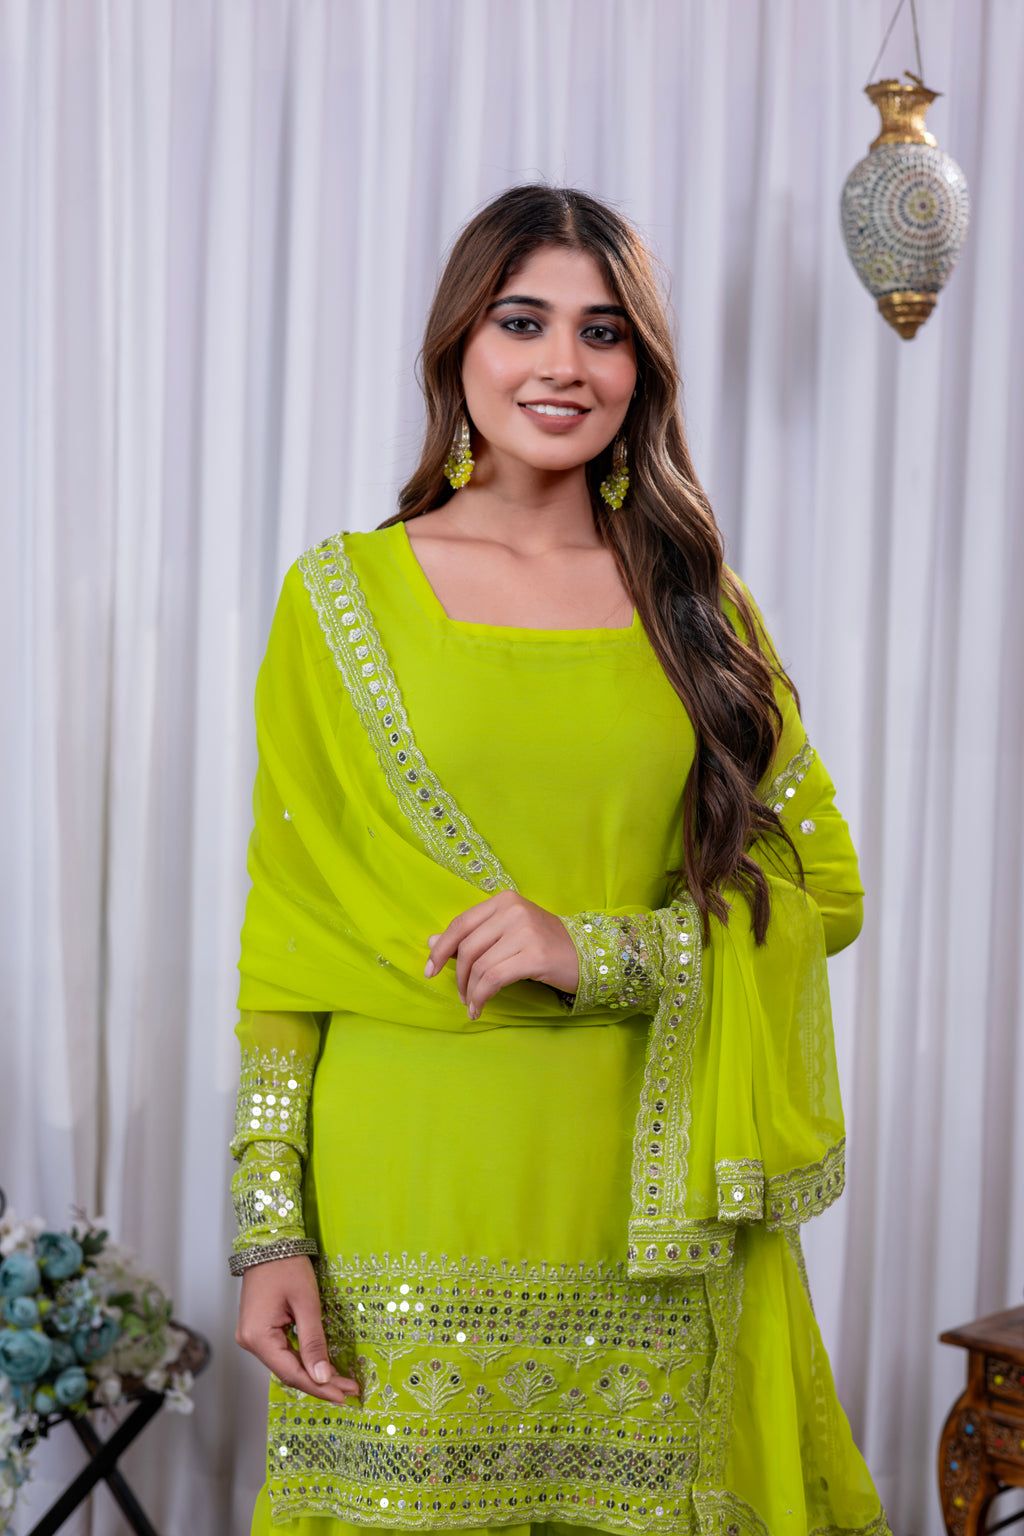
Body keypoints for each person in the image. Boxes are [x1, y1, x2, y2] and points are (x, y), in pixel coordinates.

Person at [229, 185, 889, 1536]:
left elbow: (819, 892)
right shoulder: (339, 598)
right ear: (458, 345)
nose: (562, 365)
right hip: (401, 1184)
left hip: (641, 1205)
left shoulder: (700, 610)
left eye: (604, 333)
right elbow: (285, 938)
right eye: (523, 321)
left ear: (640, 368)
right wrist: (267, 1230)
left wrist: (593, 951)